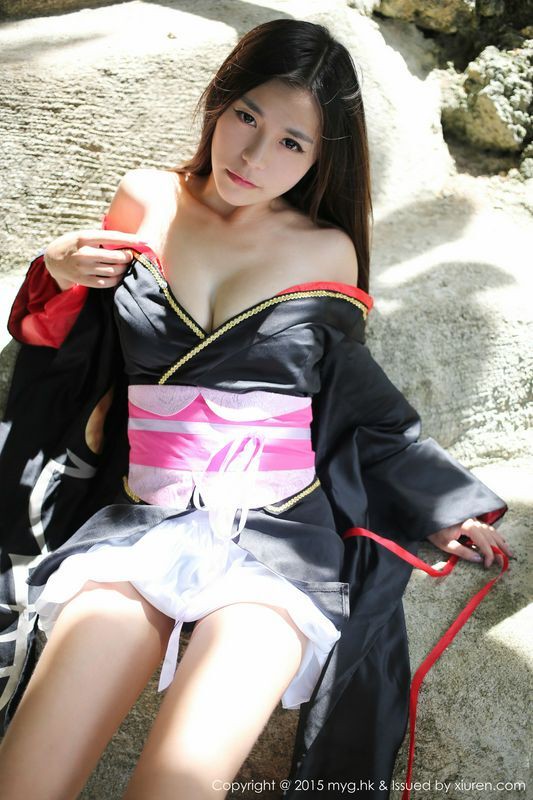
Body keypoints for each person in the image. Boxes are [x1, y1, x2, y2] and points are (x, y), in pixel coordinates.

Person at [0, 18, 511, 800]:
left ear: (320, 158)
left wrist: (434, 504)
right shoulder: (145, 199)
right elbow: (62, 346)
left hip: (279, 541)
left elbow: (347, 394)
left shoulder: (324, 248)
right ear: (219, 100)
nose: (252, 156)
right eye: (246, 117)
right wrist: (57, 270)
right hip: (140, 520)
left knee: (173, 787)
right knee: (24, 781)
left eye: (290, 143)